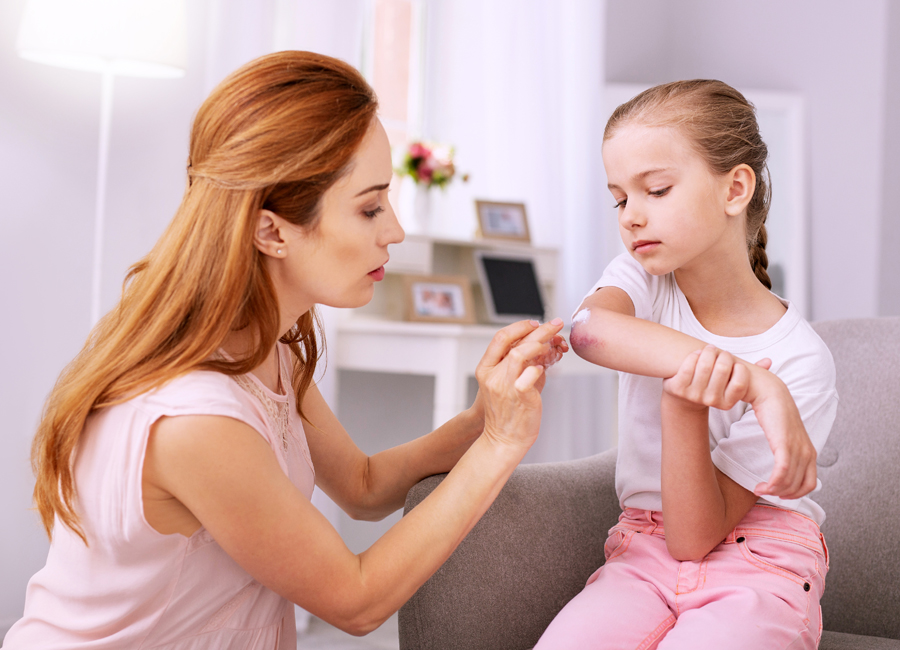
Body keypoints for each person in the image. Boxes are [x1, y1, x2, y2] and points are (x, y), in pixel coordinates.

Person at [3, 51, 567, 649]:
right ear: (271, 231)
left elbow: (364, 486)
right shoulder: (194, 419)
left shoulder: (266, 354)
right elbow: (357, 599)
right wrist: (501, 444)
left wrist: (481, 418)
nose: (395, 231)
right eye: (370, 207)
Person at [535, 80, 838, 649]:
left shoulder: (801, 361)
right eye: (620, 199)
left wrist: (685, 403)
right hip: (641, 555)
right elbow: (588, 331)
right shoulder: (643, 280)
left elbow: (695, 536)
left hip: (759, 559)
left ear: (735, 189)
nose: (631, 217)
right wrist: (755, 383)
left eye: (656, 190)